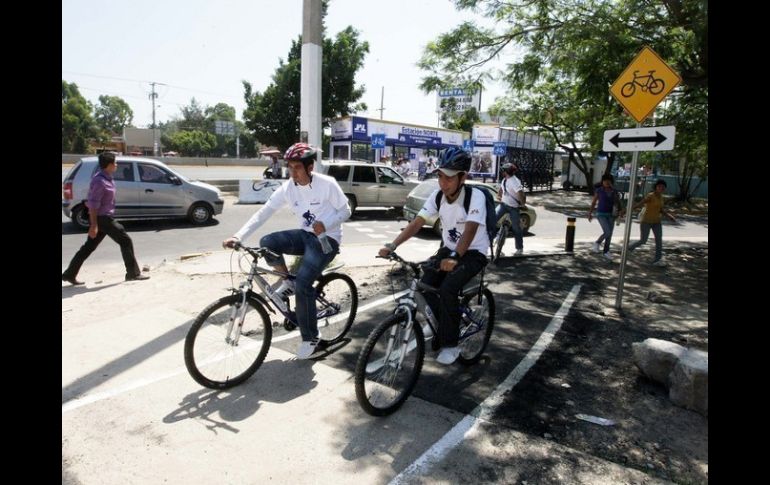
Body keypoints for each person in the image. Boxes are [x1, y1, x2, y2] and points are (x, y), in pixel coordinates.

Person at [222, 143, 351, 359]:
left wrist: (326, 224)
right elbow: (264, 213)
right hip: (305, 236)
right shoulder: (288, 188)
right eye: (289, 167)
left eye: (297, 167)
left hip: (327, 239)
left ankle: (311, 338)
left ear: (310, 167)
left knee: (304, 284)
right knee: (267, 242)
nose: (292, 172)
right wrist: (238, 236)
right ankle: (287, 281)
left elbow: (346, 209)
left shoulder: (327, 184)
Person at [378, 147, 488, 365]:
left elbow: (471, 229)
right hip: (448, 250)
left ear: (462, 177)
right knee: (423, 283)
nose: (443, 182)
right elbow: (417, 223)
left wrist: (456, 256)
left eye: (448, 177)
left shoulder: (475, 197)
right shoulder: (438, 196)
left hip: (473, 252)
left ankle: (451, 345)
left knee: (448, 289)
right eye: (439, 176)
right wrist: (393, 245)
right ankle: (440, 320)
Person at [62, 152, 150, 285]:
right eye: (114, 163)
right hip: (103, 219)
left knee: (88, 248)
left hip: (103, 218)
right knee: (125, 240)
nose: (116, 165)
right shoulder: (100, 181)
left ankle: (69, 274)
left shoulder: (107, 178)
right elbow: (93, 204)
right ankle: (133, 273)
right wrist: (93, 225)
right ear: (108, 165)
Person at [628, 178, 677, 267]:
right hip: (646, 221)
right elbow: (641, 203)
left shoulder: (661, 197)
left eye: (663, 187)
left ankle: (657, 260)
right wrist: (629, 210)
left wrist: (669, 216)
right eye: (659, 186)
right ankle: (629, 249)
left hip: (657, 222)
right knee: (643, 240)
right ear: (656, 187)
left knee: (659, 240)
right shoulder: (651, 195)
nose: (661, 188)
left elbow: (661, 210)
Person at [588, 174, 624, 261]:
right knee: (607, 232)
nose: (607, 182)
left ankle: (606, 251)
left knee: (609, 234)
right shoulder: (599, 190)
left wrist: (620, 211)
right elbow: (594, 202)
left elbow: (618, 202)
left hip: (611, 214)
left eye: (609, 181)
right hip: (601, 214)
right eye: (605, 180)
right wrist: (590, 213)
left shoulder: (614, 191)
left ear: (611, 182)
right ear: (602, 182)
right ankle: (597, 243)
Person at [496, 163, 526, 256]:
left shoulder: (515, 181)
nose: (502, 172)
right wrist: (499, 195)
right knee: (492, 219)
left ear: (506, 172)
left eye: (503, 171)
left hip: (514, 208)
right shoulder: (505, 179)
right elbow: (502, 188)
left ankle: (519, 248)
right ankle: (495, 242)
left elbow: (520, 193)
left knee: (516, 228)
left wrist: (522, 204)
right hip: (503, 205)